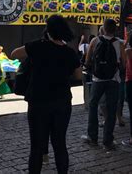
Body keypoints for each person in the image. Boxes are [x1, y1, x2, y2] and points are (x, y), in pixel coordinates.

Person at [11, 15, 81, 174]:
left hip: (39, 102)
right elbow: (78, 76)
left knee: (36, 146)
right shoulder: (69, 52)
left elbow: (14, 54)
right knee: (60, 144)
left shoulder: (37, 47)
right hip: (62, 102)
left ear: (48, 31)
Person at [82, 18, 126, 151]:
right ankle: (108, 140)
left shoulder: (95, 41)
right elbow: (124, 63)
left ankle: (92, 137)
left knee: (93, 105)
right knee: (112, 109)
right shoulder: (120, 43)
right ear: (115, 29)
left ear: (103, 28)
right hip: (113, 80)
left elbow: (88, 60)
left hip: (97, 80)